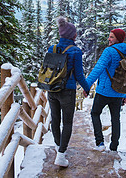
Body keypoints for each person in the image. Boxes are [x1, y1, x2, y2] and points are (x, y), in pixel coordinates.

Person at [47, 16, 90, 167]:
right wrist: (87, 88)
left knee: (55, 119)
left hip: (51, 89)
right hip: (68, 91)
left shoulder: (51, 48)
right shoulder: (75, 51)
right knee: (67, 123)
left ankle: (59, 147)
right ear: (73, 35)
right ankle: (60, 154)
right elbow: (79, 75)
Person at [84, 28, 126, 152]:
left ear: (118, 39)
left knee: (95, 113)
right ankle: (114, 147)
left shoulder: (109, 51)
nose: (109, 39)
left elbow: (98, 69)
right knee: (115, 119)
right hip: (118, 93)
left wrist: (86, 85)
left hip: (104, 91)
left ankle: (100, 143)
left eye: (112, 37)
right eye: (109, 36)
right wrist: (125, 95)